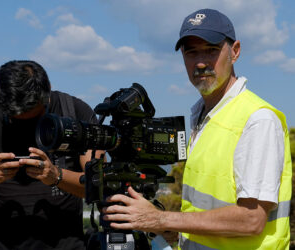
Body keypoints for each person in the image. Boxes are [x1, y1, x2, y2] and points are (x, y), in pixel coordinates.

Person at [102, 8, 292, 249]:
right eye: (191, 52)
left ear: (235, 51)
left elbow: (251, 219)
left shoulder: (257, 120)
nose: (201, 62)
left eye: (211, 51)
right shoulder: (203, 117)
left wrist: (160, 218)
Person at [0, 60, 101, 250]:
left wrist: (57, 176)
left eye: (36, 117)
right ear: (0, 100)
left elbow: (100, 186)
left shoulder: (76, 113)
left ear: (48, 92)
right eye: (13, 119)